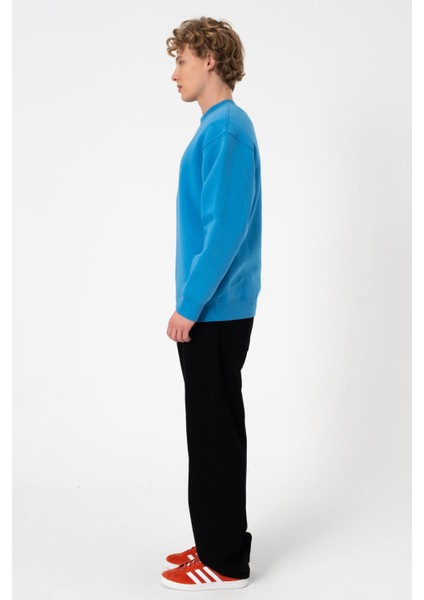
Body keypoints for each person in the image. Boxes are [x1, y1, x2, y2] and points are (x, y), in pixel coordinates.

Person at [161, 16, 262, 591]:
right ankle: (214, 541)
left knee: (214, 433)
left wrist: (190, 304)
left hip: (215, 310)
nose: (174, 73)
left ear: (210, 61)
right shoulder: (218, 128)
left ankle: (225, 563)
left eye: (182, 60)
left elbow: (224, 229)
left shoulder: (225, 130)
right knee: (212, 429)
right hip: (215, 309)